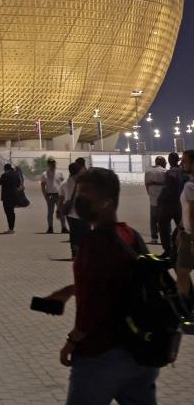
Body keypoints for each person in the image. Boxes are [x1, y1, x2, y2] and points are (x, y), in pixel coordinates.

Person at [45, 168, 159, 404]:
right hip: (139, 353)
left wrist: (73, 341)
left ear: (107, 201)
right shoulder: (130, 235)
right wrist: (70, 290)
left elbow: (93, 304)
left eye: (86, 193)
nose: (79, 199)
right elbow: (120, 281)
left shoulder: (94, 243)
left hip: (102, 353)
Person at [157, 152, 185, 259]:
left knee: (163, 228)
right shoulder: (183, 172)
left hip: (168, 205)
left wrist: (160, 200)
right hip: (179, 204)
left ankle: (168, 250)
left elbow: (167, 190)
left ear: (169, 160)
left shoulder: (170, 173)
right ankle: (180, 248)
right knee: (182, 227)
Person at [175, 150, 194, 304]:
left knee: (181, 271)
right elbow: (186, 211)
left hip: (191, 235)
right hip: (186, 232)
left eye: (185, 161)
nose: (182, 163)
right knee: (182, 270)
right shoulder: (189, 183)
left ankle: (184, 306)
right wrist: (180, 229)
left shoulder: (190, 186)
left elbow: (193, 214)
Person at [60, 161, 87, 258]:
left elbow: (61, 198)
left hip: (70, 213)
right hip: (83, 213)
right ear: (78, 171)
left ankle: (74, 253)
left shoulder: (64, 183)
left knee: (74, 234)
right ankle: (83, 253)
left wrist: (59, 210)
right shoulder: (84, 183)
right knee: (85, 234)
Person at [40, 158, 67, 234]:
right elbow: (42, 185)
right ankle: (50, 228)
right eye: (51, 163)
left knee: (61, 211)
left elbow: (63, 184)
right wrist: (45, 195)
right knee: (50, 212)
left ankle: (64, 228)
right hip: (50, 195)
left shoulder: (59, 173)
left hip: (59, 195)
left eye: (54, 163)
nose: (53, 165)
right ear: (48, 164)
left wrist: (64, 194)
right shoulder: (45, 174)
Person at [144, 156, 167, 245]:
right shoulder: (164, 171)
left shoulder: (148, 171)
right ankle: (165, 237)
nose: (166, 164)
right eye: (165, 162)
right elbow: (167, 184)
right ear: (162, 163)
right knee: (164, 220)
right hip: (163, 200)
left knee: (153, 220)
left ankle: (154, 238)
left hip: (153, 199)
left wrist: (150, 194)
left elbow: (146, 184)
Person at [0, 163, 22, 234]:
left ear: (5, 169)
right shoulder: (16, 174)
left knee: (8, 212)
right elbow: (19, 184)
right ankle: (11, 228)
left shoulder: (5, 175)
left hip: (6, 197)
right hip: (14, 196)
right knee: (12, 212)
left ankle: (10, 229)